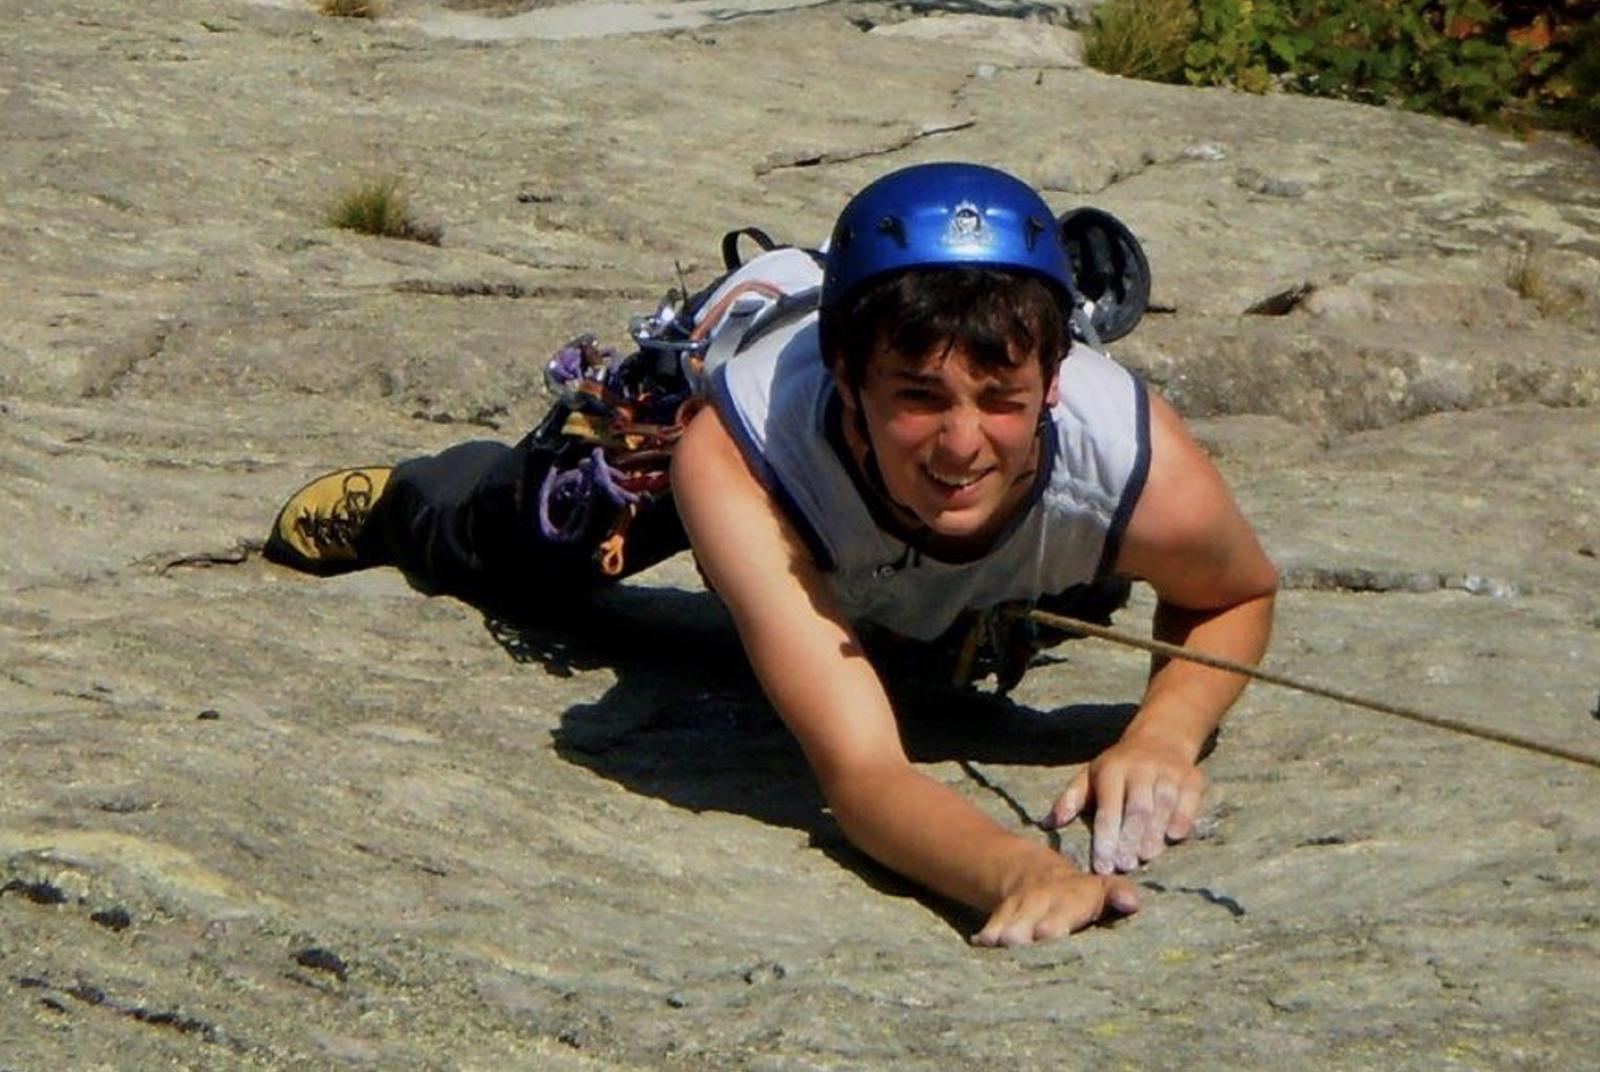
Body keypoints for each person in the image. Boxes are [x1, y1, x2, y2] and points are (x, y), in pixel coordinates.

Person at [265, 162, 1278, 947]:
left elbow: (1232, 594)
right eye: (917, 397)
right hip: (735, 409)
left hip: (898, 501)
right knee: (538, 545)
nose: (962, 440)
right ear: (846, 376)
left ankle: (961, 595)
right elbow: (863, 772)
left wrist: (1161, 734)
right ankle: (411, 502)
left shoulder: (1129, 453)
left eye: (1000, 401)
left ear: (1054, 381)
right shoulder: (740, 451)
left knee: (934, 641)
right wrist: (1018, 871)